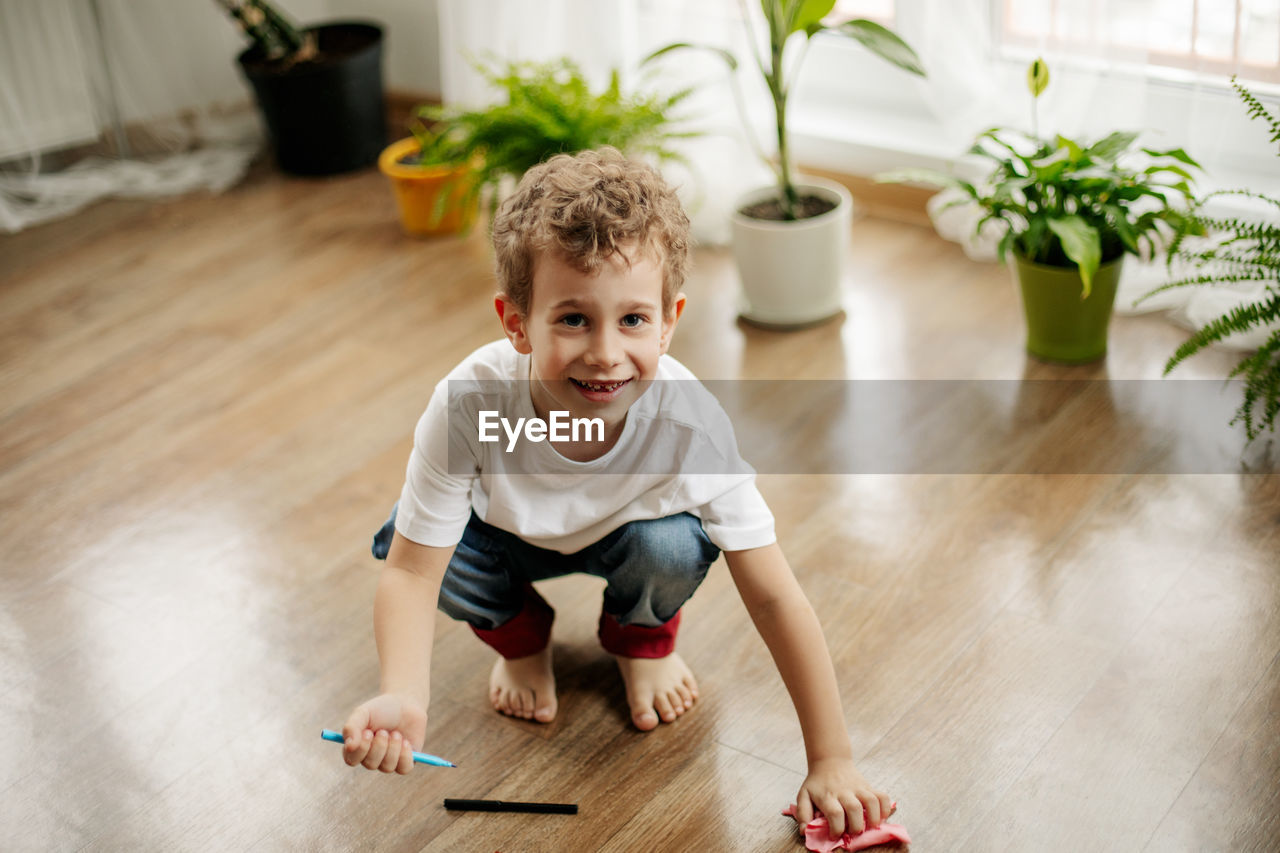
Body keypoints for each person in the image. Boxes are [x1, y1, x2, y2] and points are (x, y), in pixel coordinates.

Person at [340, 147, 894, 837]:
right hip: (503, 538)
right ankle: (521, 642)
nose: (605, 351)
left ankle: (641, 642)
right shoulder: (471, 405)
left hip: (632, 538)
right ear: (516, 322)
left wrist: (831, 756)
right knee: (410, 537)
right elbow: (413, 572)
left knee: (671, 545)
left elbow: (775, 593)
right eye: (573, 318)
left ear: (669, 320)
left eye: (632, 320)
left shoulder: (688, 423)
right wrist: (402, 691)